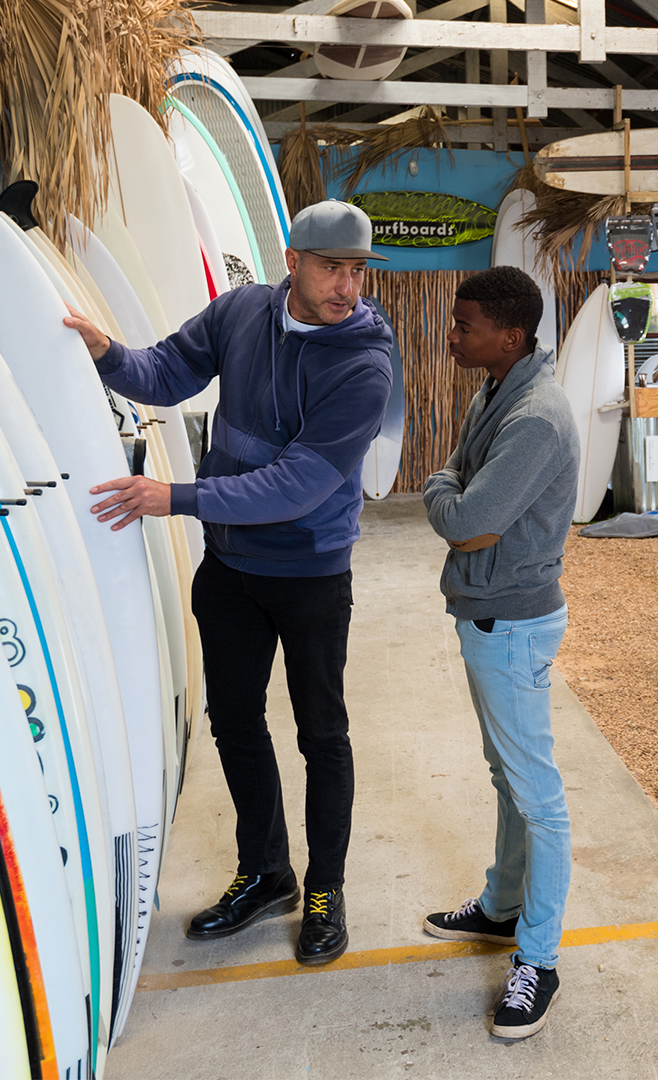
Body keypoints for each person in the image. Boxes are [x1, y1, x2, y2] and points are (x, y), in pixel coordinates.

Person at [64, 200, 393, 966]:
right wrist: (106, 351)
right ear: (294, 259)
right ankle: (267, 870)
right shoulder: (243, 311)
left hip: (310, 573)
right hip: (231, 571)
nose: (347, 286)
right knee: (235, 724)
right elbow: (167, 372)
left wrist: (175, 498)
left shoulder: (363, 365)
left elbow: (297, 486)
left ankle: (324, 889)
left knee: (322, 735)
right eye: (332, 268)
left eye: (356, 271)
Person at [417, 266, 580, 1038]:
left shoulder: (537, 417)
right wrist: (450, 489)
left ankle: (538, 960)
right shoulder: (496, 389)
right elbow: (456, 479)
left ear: (508, 335)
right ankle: (501, 906)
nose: (453, 335)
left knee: (538, 797)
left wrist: (444, 495)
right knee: (507, 776)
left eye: (464, 324)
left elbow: (467, 520)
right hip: (490, 619)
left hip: (511, 625)